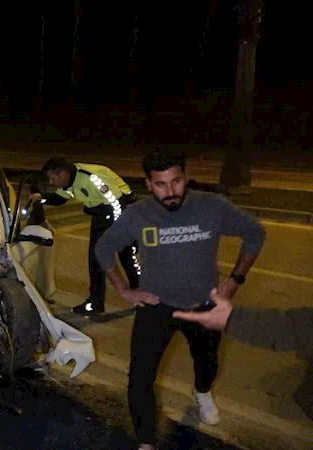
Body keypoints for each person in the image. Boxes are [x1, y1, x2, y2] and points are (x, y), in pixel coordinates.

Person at [94, 147, 266, 450]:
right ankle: (146, 441)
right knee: (140, 378)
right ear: (148, 184)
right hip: (156, 307)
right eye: (160, 184)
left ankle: (201, 392)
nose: (170, 191)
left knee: (208, 363)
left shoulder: (211, 206)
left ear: (186, 177)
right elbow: (104, 248)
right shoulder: (137, 215)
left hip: (205, 306)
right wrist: (123, 289)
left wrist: (235, 280)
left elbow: (255, 233)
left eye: (176, 181)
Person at [173, 289, 313, 422]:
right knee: (151, 360)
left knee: (207, 354)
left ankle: (202, 391)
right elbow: (297, 327)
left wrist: (236, 277)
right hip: (157, 296)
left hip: (200, 291)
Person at [32, 157, 140, 315]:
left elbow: (116, 202)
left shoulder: (91, 178)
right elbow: (60, 199)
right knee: (96, 259)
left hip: (121, 212)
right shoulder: (70, 181)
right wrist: (41, 198)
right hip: (102, 214)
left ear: (62, 173)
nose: (51, 182)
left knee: (127, 257)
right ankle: (96, 303)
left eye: (52, 178)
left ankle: (143, 296)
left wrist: (118, 232)